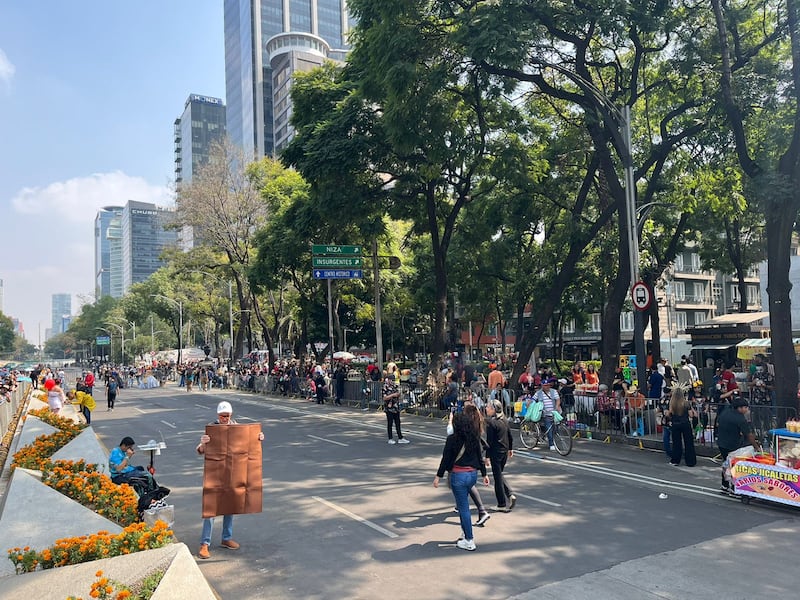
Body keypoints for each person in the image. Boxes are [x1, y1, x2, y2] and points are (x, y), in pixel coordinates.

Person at [196, 401, 265, 559]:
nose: (224, 419)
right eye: (222, 416)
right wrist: (204, 443)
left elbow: (250, 447)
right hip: (216, 473)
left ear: (231, 415)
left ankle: (226, 538)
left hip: (233, 472)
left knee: (230, 504)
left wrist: (258, 437)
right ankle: (204, 543)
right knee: (210, 507)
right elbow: (199, 450)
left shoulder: (239, 429)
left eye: (227, 416)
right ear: (217, 415)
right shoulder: (212, 429)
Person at [433, 413, 489, 551]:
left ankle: (469, 540)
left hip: (458, 476)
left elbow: (445, 458)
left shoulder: (452, 439)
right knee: (464, 506)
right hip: (472, 474)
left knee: (463, 508)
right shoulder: (474, 437)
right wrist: (484, 474)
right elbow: (480, 457)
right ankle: (465, 533)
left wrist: (438, 476)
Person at [446, 405, 491, 526]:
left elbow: (451, 433)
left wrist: (450, 421)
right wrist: (484, 473)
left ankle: (470, 511)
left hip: (461, 461)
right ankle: (480, 510)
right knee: (469, 484)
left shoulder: (465, 426)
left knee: (458, 484)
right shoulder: (477, 423)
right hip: (472, 460)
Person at [717, 397, 761, 493]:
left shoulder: (725, 412)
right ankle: (734, 487)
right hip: (733, 445)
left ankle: (724, 485)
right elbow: (748, 434)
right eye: (746, 407)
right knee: (735, 465)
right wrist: (756, 447)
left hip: (721, 443)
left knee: (726, 463)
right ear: (740, 408)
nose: (747, 410)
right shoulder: (740, 419)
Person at [484, 399, 516, 513]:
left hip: (495, 452)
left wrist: (487, 456)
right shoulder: (504, 419)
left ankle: (502, 503)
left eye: (488, 407)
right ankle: (509, 495)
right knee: (499, 475)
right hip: (504, 451)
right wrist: (511, 448)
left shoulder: (491, 423)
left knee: (497, 478)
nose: (486, 408)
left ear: (493, 409)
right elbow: (510, 435)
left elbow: (489, 441)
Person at [666, 387, 697, 467]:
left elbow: (669, 413)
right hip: (685, 424)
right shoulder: (686, 403)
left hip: (675, 424)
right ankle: (690, 461)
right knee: (688, 443)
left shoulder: (672, 403)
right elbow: (691, 415)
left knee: (676, 443)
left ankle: (675, 460)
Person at [533, 378, 562, 450]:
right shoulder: (538, 393)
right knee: (549, 428)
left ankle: (553, 439)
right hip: (544, 413)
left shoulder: (554, 391)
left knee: (556, 427)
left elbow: (558, 400)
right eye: (545, 385)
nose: (547, 387)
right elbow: (533, 400)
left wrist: (557, 406)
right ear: (542, 386)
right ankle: (551, 443)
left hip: (554, 412)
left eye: (548, 385)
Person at [383, 373, 409, 444]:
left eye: (393, 380)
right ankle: (390, 438)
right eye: (391, 380)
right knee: (390, 423)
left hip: (396, 407)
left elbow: (399, 395)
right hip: (389, 408)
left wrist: (401, 393)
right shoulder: (385, 387)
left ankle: (400, 437)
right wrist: (393, 395)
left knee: (398, 423)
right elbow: (384, 398)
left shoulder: (395, 386)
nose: (392, 381)